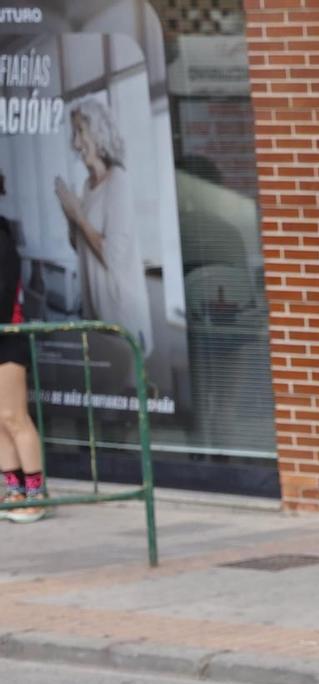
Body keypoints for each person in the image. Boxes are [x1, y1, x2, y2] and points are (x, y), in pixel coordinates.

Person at [56, 98, 148, 352]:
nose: (75, 143)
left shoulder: (119, 181)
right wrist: (69, 215)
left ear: (98, 131)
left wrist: (79, 216)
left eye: (80, 132)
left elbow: (113, 257)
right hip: (95, 314)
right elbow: (80, 246)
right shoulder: (88, 185)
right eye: (73, 133)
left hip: (120, 318)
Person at [0, 218, 49, 523]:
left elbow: (4, 291)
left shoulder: (2, 238)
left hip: (7, 338)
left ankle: (36, 492)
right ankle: (13, 489)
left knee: (13, 416)